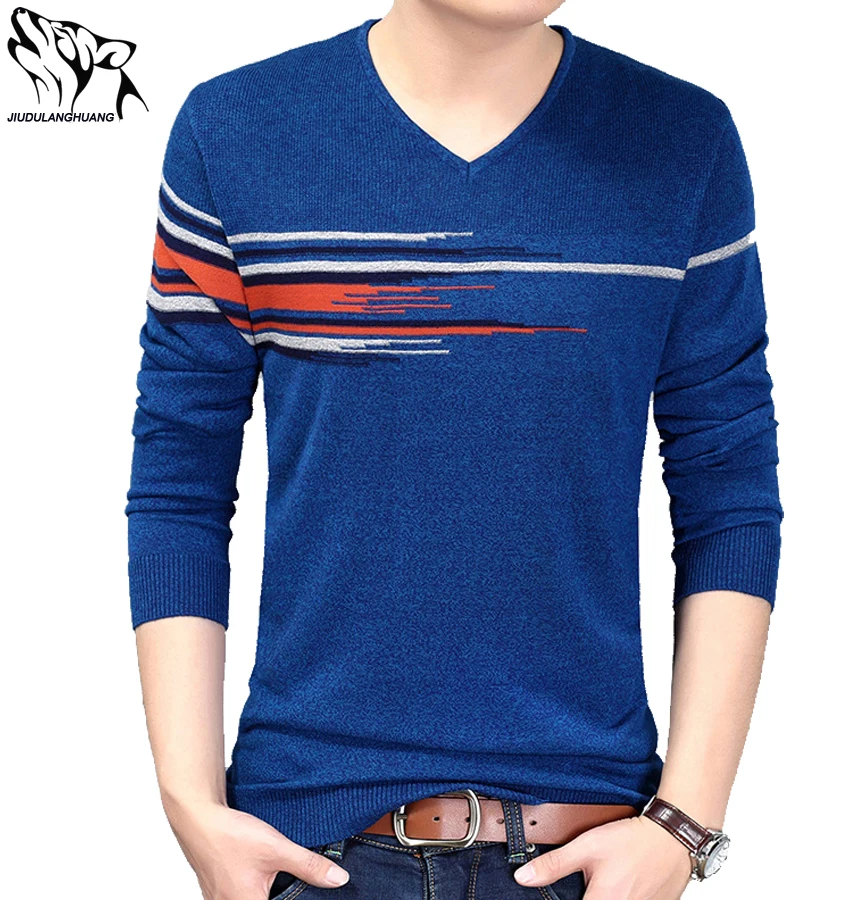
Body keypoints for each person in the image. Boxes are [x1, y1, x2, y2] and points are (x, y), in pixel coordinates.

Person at [124, 2, 783, 898]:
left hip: (586, 849)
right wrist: (190, 804)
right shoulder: (236, 131)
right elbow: (180, 478)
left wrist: (685, 825)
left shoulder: (681, 142)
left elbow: (728, 488)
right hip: (313, 847)